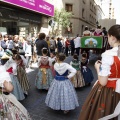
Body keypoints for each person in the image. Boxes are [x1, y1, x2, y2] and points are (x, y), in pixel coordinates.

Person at [79, 25, 120, 120]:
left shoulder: (108, 54)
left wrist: (97, 68)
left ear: (112, 37)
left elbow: (103, 82)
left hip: (108, 91)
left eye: (108, 37)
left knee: (102, 112)